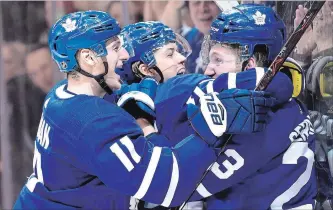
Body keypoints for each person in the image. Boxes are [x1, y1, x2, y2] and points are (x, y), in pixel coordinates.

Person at [13, 10, 275, 209]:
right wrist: (209, 129)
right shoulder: (92, 121)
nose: (124, 56)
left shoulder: (61, 96)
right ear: (88, 59)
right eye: (116, 48)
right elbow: (167, 185)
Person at [117, 4, 316, 210]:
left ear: (249, 66)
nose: (209, 69)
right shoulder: (263, 103)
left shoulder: (260, 115)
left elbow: (173, 188)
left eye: (218, 60)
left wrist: (145, 127)